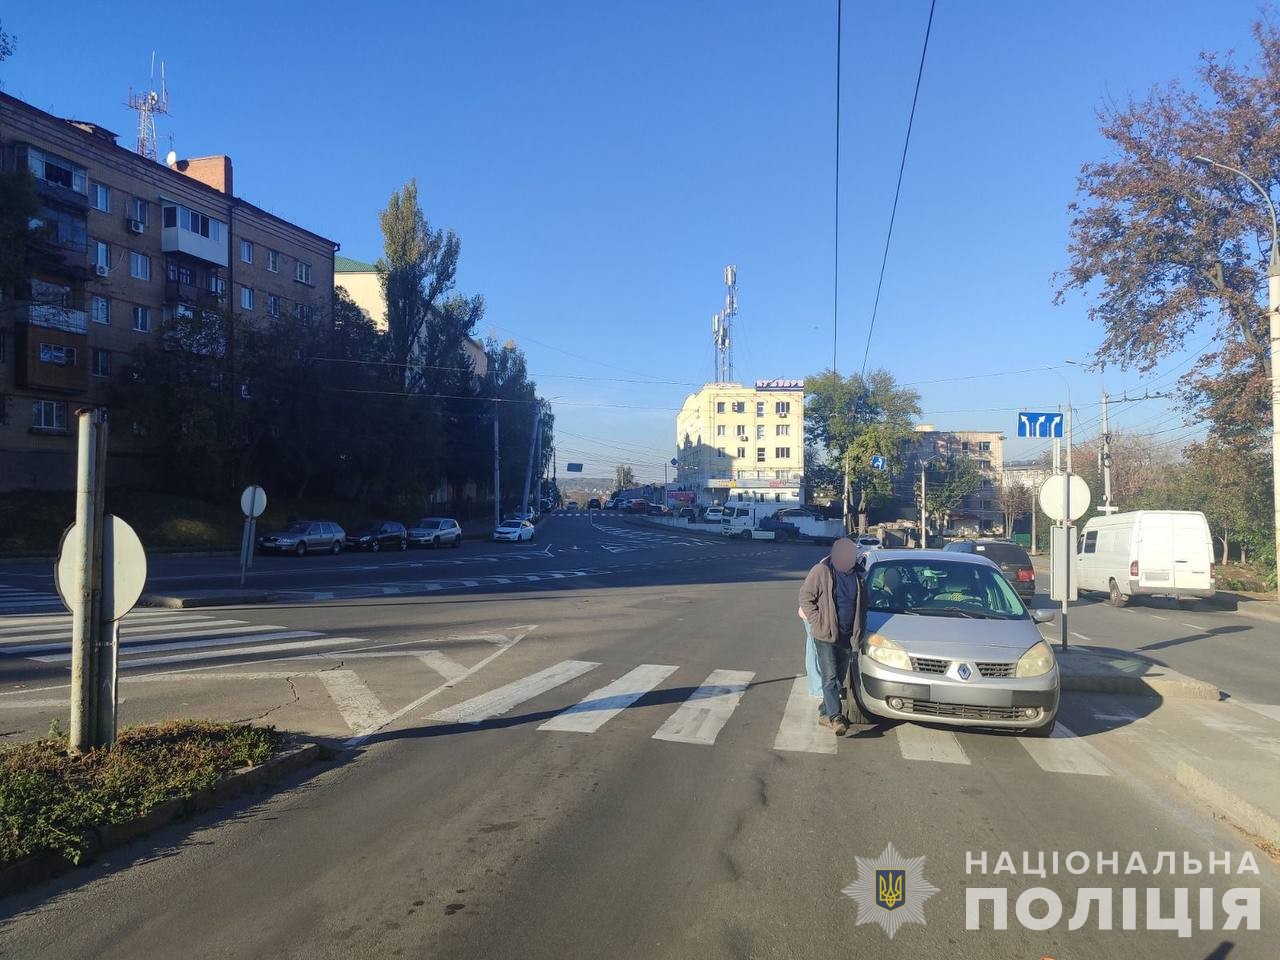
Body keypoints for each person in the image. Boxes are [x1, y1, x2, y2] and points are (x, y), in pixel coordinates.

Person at [798, 537, 865, 737]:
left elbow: (863, 608)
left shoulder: (859, 576)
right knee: (829, 675)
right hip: (825, 634)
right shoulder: (821, 571)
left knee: (839, 678)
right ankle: (836, 718)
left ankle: (825, 712)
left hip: (847, 635)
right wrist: (817, 621)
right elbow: (805, 597)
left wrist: (859, 631)